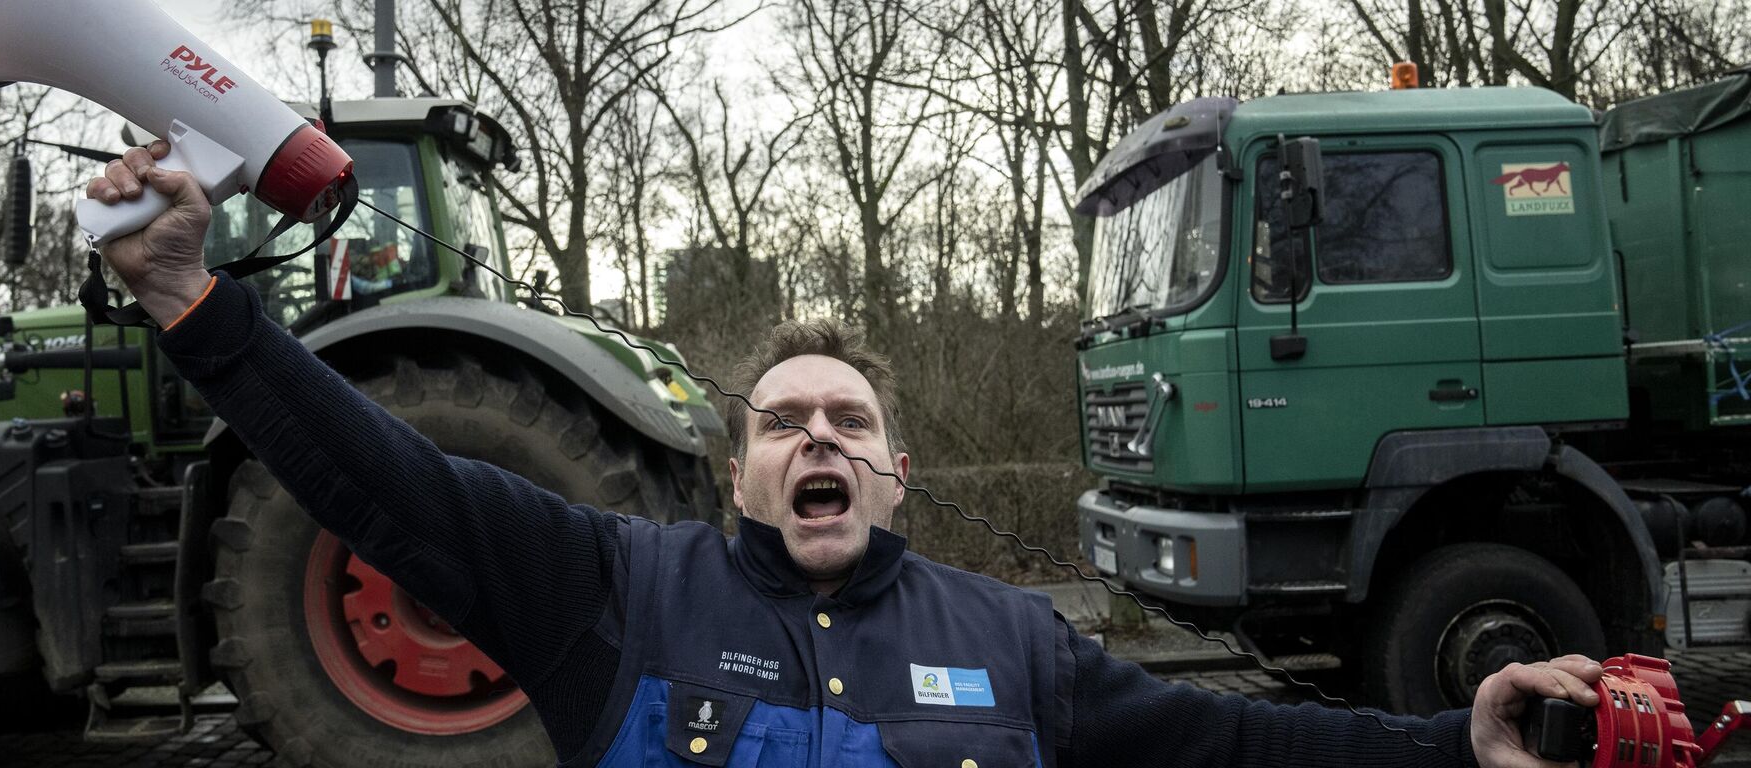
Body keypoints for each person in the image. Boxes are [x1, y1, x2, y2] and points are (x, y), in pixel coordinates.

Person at [89, 143, 1605, 767]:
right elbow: (373, 474)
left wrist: (1444, 740)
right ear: (738, 469)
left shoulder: (1016, 642)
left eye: (851, 422)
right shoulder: (606, 589)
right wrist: (191, 302)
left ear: (894, 472)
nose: (817, 434)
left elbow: (1233, 752)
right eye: (783, 421)